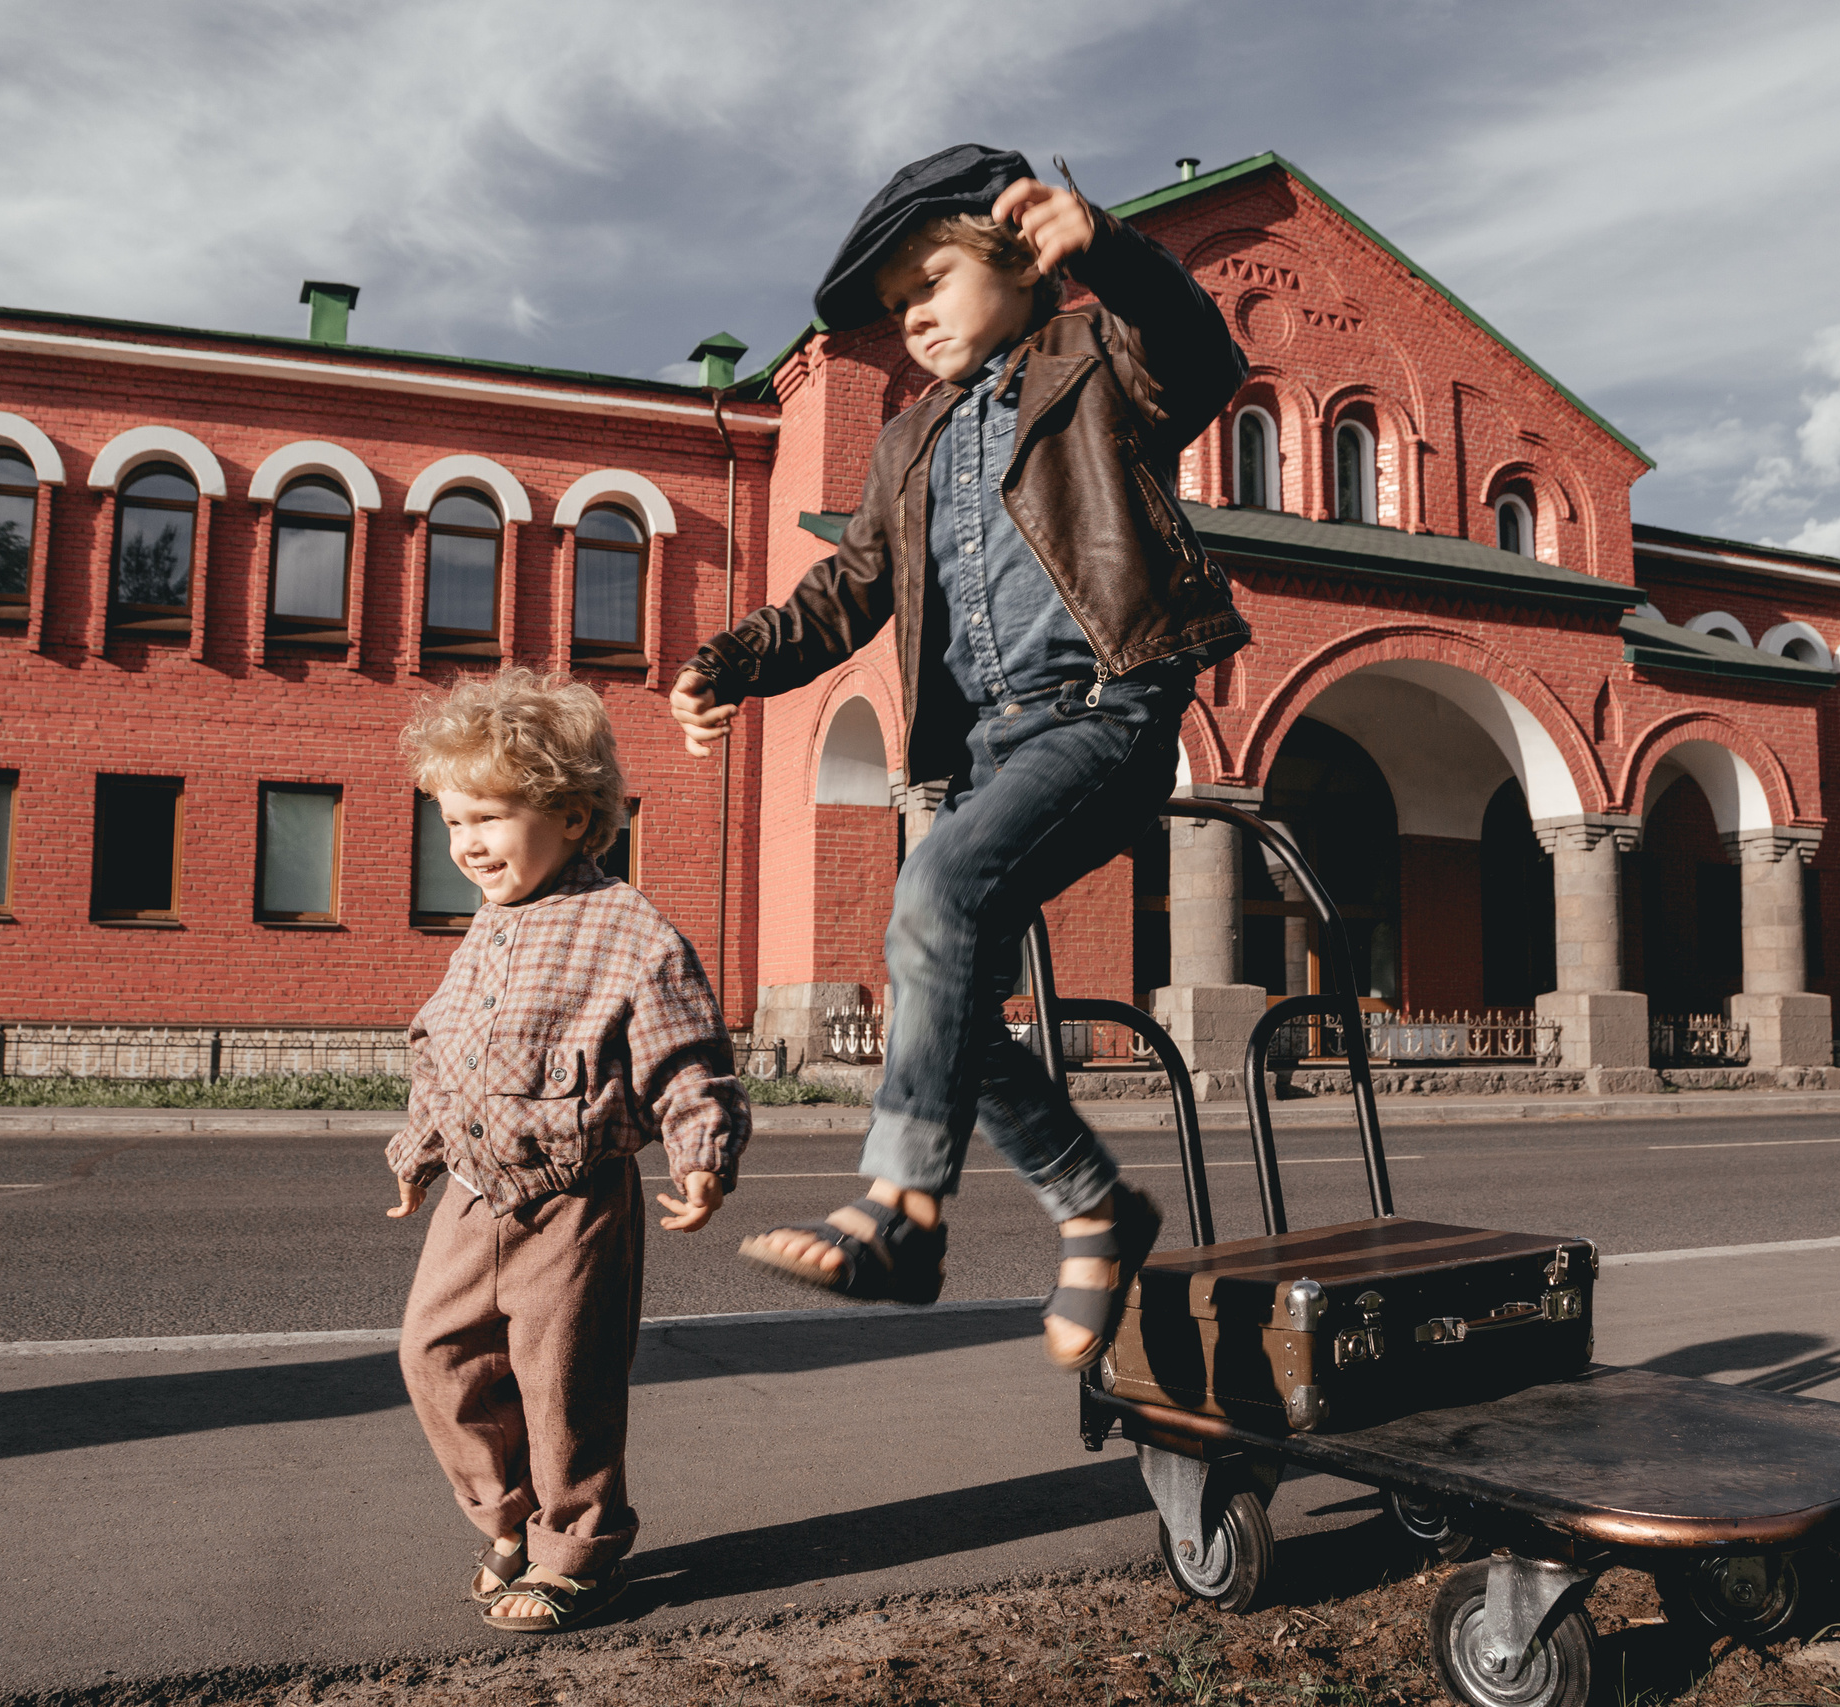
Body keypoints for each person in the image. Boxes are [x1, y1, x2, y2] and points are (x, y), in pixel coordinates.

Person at [668, 144, 1247, 1370]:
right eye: (894, 310)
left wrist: (1112, 251)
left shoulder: (1094, 361)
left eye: (931, 280)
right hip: (994, 752)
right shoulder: (908, 443)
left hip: (1106, 711)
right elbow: (850, 592)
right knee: (949, 1001)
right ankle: (1099, 1210)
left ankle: (901, 1214)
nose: (914, 318)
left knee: (932, 892)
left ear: (1020, 261)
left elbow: (1201, 355)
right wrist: (731, 658)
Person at [388, 668, 747, 1634]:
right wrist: (419, 1150)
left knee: (563, 1380)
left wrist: (700, 1148)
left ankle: (578, 1550)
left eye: (491, 820)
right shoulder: (486, 930)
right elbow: (446, 1050)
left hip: (576, 1198)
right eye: (454, 821)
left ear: (577, 817)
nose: (467, 844)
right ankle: (506, 1520)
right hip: (474, 1192)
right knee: (434, 1353)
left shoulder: (631, 931)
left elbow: (686, 1054)